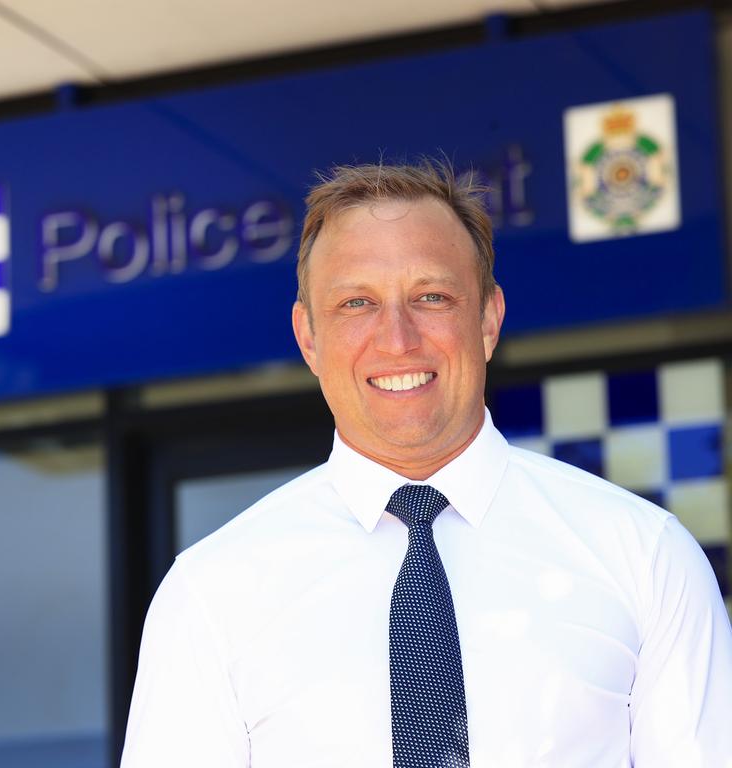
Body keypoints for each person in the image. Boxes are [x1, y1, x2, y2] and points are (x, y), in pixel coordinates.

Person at [120, 161, 732, 767]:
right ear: (308, 338)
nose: (398, 339)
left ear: (488, 320)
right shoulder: (210, 595)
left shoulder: (645, 556)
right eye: (357, 303)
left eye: (432, 296)